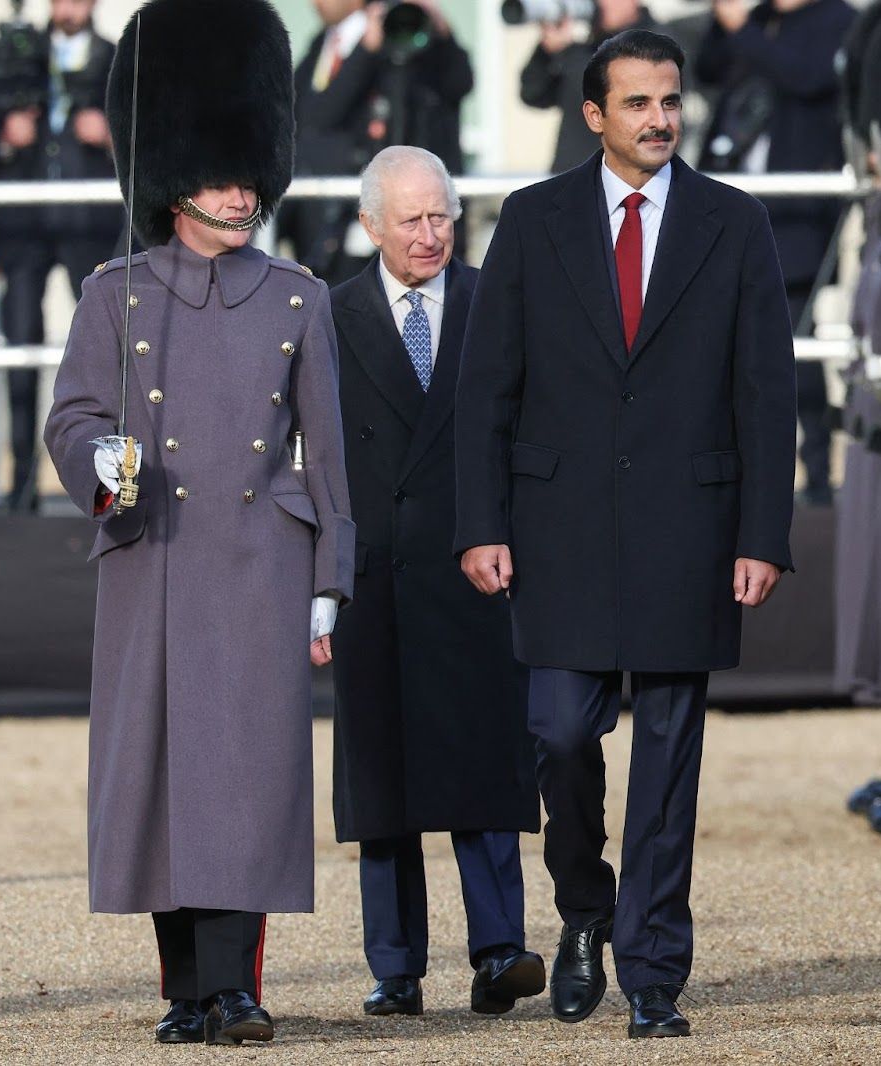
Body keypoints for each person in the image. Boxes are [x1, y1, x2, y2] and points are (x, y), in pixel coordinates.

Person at [455, 29, 796, 1038]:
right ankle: (585, 909)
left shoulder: (734, 223)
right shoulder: (531, 219)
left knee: (668, 759)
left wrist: (762, 534)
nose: (659, 118)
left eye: (669, 100)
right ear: (594, 114)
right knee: (559, 735)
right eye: (637, 102)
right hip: (557, 532)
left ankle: (653, 972)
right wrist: (481, 523)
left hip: (691, 531)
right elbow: (487, 389)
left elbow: (766, 392)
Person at [41, 0, 353, 1046]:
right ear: (176, 182)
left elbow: (330, 457)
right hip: (155, 561)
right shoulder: (113, 297)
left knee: (248, 778)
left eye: (249, 174)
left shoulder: (299, 300)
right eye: (221, 176)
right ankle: (187, 989)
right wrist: (99, 463)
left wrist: (329, 579)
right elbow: (72, 414)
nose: (240, 191)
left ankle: (236, 986)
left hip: (262, 559)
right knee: (165, 779)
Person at [327, 145, 542, 1019]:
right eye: (411, 219)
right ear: (372, 224)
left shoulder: (498, 298)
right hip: (375, 575)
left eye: (442, 214)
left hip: (477, 564)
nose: (430, 234)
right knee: (383, 781)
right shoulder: (329, 313)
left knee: (485, 764)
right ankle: (395, 966)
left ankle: (500, 951)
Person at [696, 0, 856, 507]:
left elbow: (806, 76)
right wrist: (727, 26)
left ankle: (813, 474)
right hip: (734, 208)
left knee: (795, 350)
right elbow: (705, 70)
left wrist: (745, 30)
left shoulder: (837, 21)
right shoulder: (759, 20)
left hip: (796, 218)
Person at [0, 0, 120, 512]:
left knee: (104, 353)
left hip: (89, 226)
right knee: (20, 350)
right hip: (23, 226)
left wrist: (108, 137)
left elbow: (143, 135)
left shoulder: (114, 57)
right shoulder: (18, 56)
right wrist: (6, 138)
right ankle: (21, 483)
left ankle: (108, 483)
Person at [288, 0, 473, 283]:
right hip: (335, 221)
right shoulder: (326, 43)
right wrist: (366, 51)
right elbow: (313, 116)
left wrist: (440, 30)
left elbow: (459, 84)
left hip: (402, 215)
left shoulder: (415, 42)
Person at [519, 0, 660, 175]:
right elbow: (533, 95)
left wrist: (568, 52)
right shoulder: (585, 51)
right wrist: (546, 51)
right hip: (571, 182)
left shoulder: (660, 44)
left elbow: (609, 92)